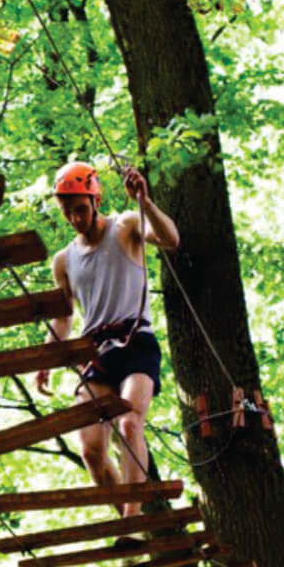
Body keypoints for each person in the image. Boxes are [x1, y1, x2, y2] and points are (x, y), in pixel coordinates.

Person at [35, 162, 179, 519]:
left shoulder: (125, 227)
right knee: (91, 451)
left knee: (130, 423)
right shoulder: (64, 260)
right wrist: (45, 361)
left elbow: (171, 239)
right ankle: (127, 523)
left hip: (136, 342)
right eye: (67, 211)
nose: (75, 218)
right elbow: (64, 316)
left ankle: (131, 518)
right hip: (96, 354)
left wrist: (144, 201)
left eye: (80, 208)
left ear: (95, 199)